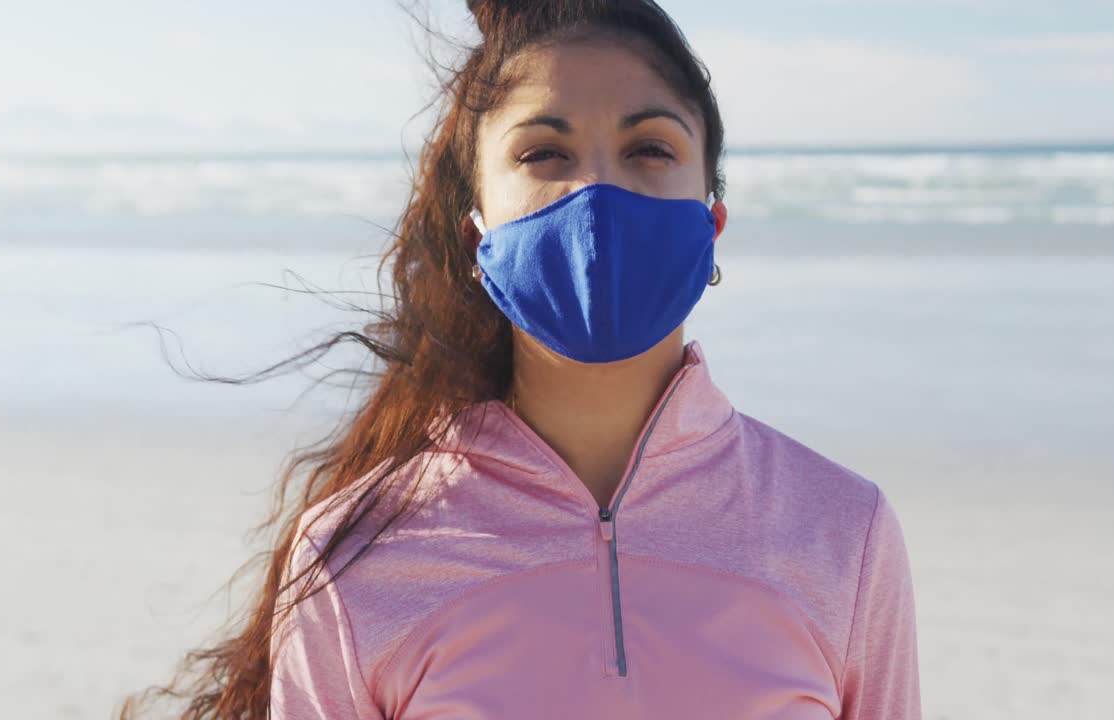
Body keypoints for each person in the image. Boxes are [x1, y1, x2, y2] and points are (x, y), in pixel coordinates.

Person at [120, 1, 921, 718]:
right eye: (544, 154)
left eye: (649, 148)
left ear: (711, 222)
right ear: (478, 239)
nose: (597, 195)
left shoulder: (841, 533)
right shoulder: (355, 557)